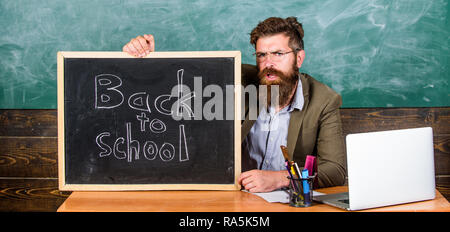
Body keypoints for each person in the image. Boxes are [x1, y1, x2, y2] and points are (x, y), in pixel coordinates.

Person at [122, 17, 347, 193]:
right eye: (261, 55)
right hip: (234, 195)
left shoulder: (324, 100)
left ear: (298, 58)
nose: (269, 64)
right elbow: (182, 81)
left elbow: (335, 171)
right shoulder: (238, 75)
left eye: (278, 53)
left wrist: (279, 179)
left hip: (287, 200)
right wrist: (146, 59)